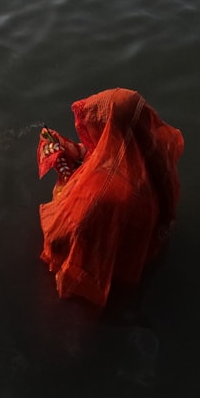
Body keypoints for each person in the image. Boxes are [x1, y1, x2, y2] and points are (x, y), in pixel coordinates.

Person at [36, 88, 183, 308]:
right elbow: (105, 157)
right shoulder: (154, 157)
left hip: (107, 264)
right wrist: (74, 152)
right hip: (143, 248)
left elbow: (60, 237)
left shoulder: (99, 193)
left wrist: (66, 178)